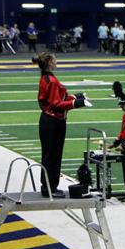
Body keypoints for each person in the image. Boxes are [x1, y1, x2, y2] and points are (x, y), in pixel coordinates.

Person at [34, 52, 88, 197]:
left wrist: (75, 97)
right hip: (53, 121)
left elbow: (56, 98)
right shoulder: (50, 80)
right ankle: (50, 187)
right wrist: (76, 103)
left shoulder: (46, 77)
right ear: (50, 62)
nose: (57, 62)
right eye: (54, 60)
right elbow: (56, 104)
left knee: (49, 154)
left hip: (48, 120)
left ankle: (48, 186)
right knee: (53, 155)